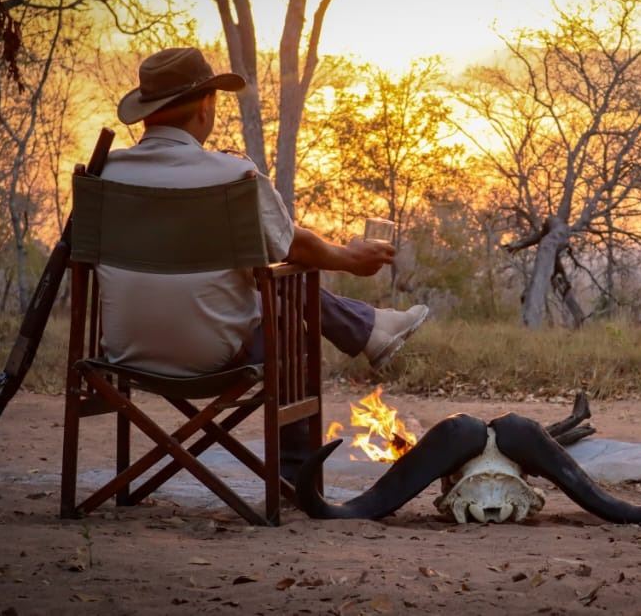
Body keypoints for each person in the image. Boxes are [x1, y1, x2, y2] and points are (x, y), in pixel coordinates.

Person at [99, 46, 429, 475]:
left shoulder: (104, 174)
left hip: (122, 352)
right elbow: (291, 247)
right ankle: (295, 475)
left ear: (147, 113)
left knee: (260, 291)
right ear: (206, 105)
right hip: (212, 356)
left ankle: (369, 327)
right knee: (286, 316)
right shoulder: (232, 176)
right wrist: (348, 258)